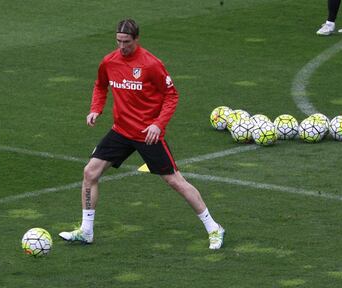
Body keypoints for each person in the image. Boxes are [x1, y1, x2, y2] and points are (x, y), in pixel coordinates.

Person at [59, 19, 225, 250]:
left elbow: (171, 95)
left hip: (147, 133)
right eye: (118, 41)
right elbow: (100, 85)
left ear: (137, 39)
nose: (122, 46)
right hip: (121, 131)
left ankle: (214, 228)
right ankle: (86, 231)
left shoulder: (151, 64)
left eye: (126, 42)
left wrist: (158, 124)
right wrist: (96, 109)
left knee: (175, 181)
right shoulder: (109, 61)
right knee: (90, 172)